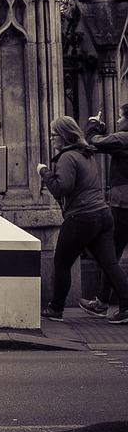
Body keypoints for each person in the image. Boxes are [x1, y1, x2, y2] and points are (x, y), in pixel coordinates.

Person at [38, 115, 128, 323]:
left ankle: (56, 309)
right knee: (109, 263)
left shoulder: (67, 157)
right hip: (103, 215)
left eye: (54, 135)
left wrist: (45, 173)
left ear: (64, 136)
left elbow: (62, 188)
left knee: (61, 262)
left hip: (81, 217)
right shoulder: (86, 154)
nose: (51, 139)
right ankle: (125, 305)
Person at [81, 105, 128, 317]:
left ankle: (103, 301)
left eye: (120, 117)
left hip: (123, 204)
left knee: (111, 254)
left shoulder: (123, 138)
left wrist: (92, 125)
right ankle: (103, 299)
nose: (118, 121)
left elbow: (94, 143)